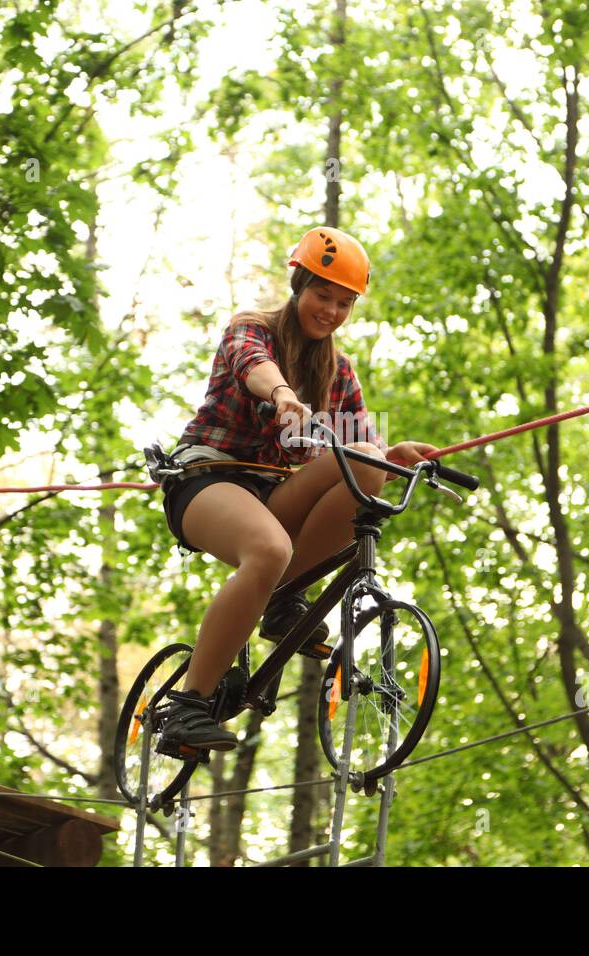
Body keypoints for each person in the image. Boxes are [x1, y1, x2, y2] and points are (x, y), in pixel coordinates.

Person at [155, 226, 440, 752]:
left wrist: (393, 455)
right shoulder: (252, 328)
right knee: (269, 548)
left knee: (368, 464)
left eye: (343, 303)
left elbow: (356, 446)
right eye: (321, 295)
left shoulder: (339, 372)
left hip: (272, 496)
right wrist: (284, 395)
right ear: (298, 284)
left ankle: (285, 596)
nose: (330, 311)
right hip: (208, 480)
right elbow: (252, 364)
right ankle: (188, 706)